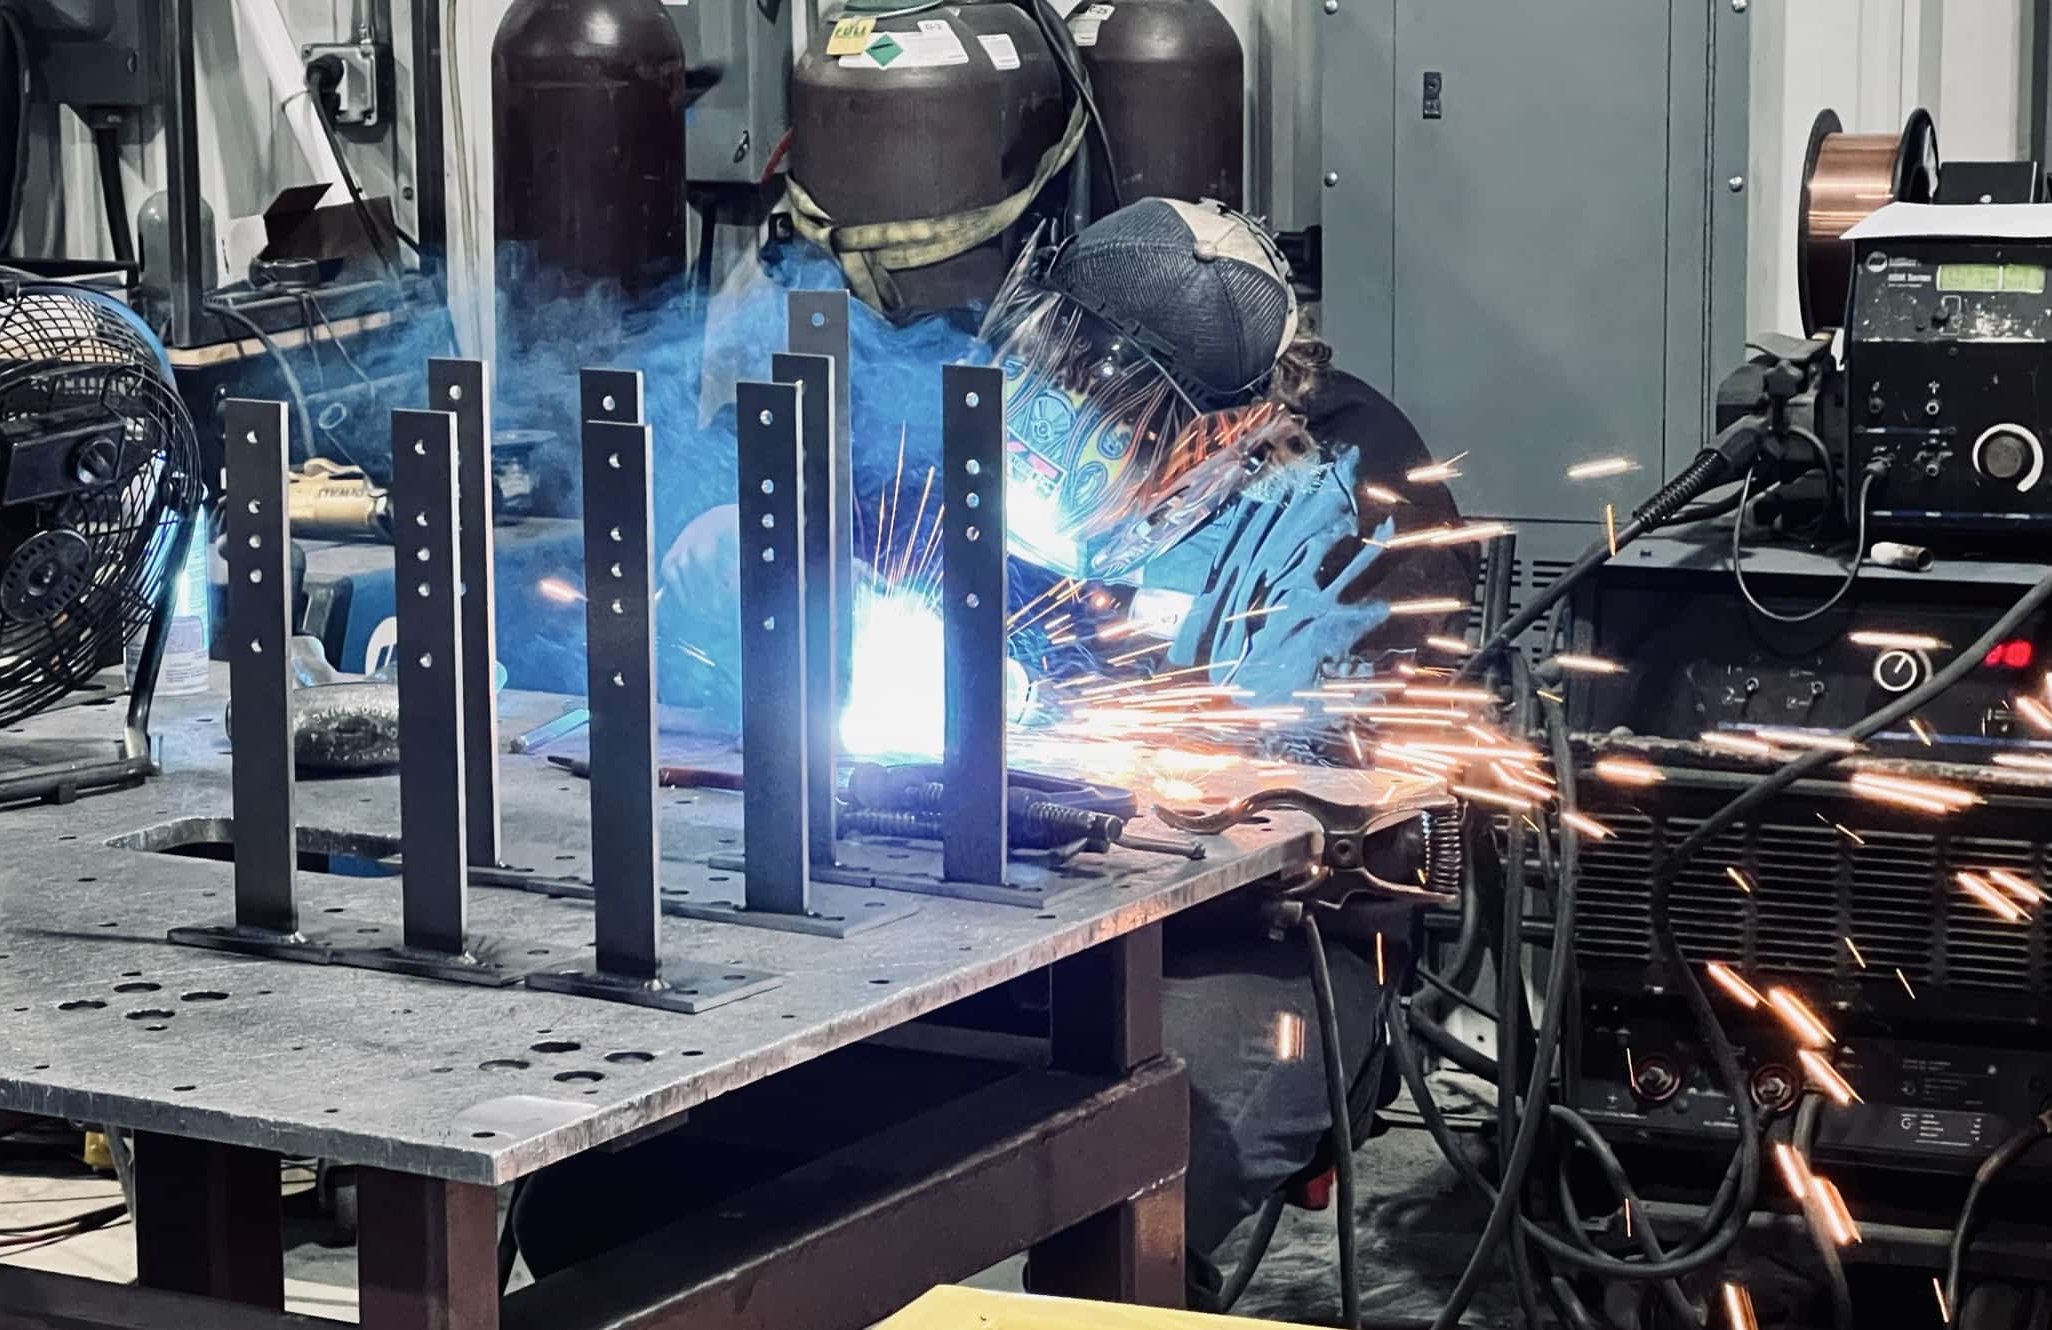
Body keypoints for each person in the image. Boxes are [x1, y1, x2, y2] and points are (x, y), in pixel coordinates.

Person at [533, 199, 1475, 1308]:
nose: (1057, 434)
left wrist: (1077, 744)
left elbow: (1330, 803)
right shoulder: (993, 409)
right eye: (1056, 383)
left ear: (1214, 434)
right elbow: (860, 563)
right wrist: (749, 577)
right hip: (971, 915)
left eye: (1113, 424)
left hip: (1242, 948)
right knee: (607, 1205)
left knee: (1113, 1198)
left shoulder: (1346, 499)